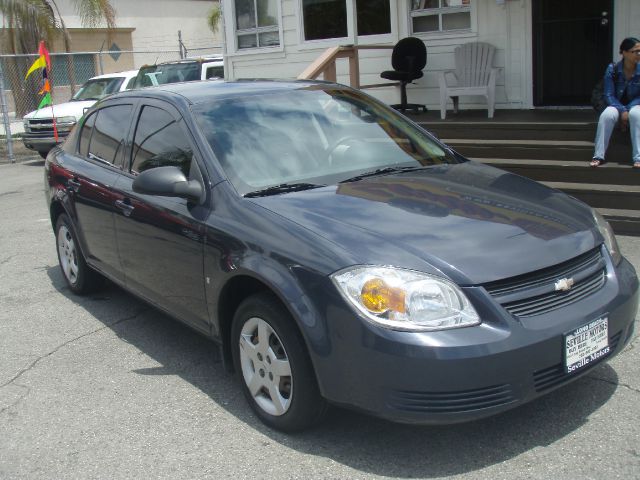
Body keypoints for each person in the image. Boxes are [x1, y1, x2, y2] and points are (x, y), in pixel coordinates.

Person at [590, 37, 640, 168]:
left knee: (636, 114)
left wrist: (627, 110)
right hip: (615, 103)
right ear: (624, 52)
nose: (639, 54)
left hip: (636, 104)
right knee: (607, 115)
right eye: (636, 51)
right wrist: (622, 110)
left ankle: (638, 158)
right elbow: (608, 94)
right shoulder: (612, 68)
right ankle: (598, 155)